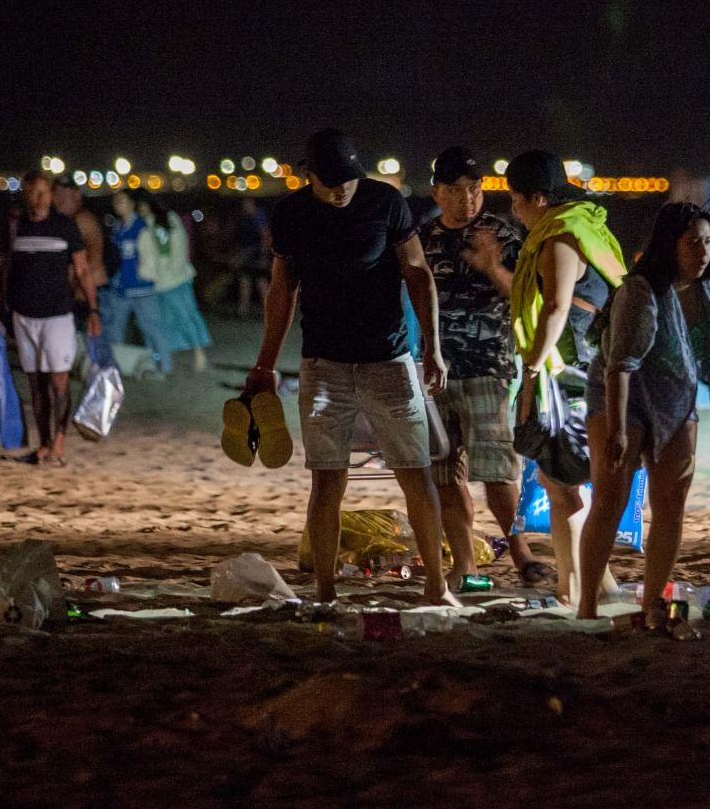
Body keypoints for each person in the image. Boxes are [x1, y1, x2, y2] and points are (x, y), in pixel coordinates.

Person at [241, 128, 456, 607]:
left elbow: (418, 274)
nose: (341, 190)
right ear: (308, 176)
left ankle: (437, 587)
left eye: (349, 181)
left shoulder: (385, 202)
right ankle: (324, 591)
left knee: (415, 473)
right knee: (327, 479)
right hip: (324, 364)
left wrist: (432, 348)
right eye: (330, 182)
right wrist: (265, 364)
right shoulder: (291, 213)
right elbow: (282, 289)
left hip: (389, 359)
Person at [575, 202, 710, 620]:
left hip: (674, 398)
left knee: (671, 501)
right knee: (610, 499)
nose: (701, 252)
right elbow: (620, 365)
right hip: (619, 396)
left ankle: (653, 603)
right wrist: (617, 430)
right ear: (669, 246)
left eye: (706, 242)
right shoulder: (641, 290)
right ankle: (587, 606)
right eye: (691, 244)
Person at [506, 150, 628, 604]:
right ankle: (585, 584)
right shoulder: (586, 227)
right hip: (593, 369)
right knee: (563, 485)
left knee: (563, 484)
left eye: (516, 200)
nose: (514, 211)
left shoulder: (558, 237)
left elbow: (556, 307)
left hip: (569, 376)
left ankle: (585, 585)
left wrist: (534, 368)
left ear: (537, 199)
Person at [419, 146, 543, 587]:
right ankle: (465, 563)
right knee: (446, 470)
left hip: (489, 366)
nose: (467, 199)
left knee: (497, 470)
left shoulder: (504, 235)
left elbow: (525, 298)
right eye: (455, 190)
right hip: (436, 369)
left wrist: (492, 266)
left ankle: (522, 556)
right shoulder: (422, 237)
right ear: (437, 193)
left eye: (474, 189)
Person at [0, 170, 102, 466]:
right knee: (36, 384)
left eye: (43, 192)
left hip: (57, 315)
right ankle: (43, 444)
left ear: (50, 195)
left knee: (59, 382)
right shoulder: (17, 227)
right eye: (33, 192)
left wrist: (93, 309)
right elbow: (5, 269)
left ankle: (59, 445)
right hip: (24, 315)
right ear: (24, 195)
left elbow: (83, 270)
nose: (38, 198)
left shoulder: (65, 227)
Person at [104, 189, 173, 375]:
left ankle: (164, 366)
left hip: (142, 288)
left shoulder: (143, 227)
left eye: (121, 201)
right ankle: (116, 367)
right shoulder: (117, 228)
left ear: (131, 204)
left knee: (151, 328)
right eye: (115, 201)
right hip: (120, 288)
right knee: (114, 329)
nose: (117, 204)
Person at [140, 194, 211, 372]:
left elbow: (180, 246)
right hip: (157, 280)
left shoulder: (170, 218)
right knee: (164, 319)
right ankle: (165, 356)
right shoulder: (144, 224)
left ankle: (199, 353)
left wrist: (175, 270)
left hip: (177, 278)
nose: (141, 208)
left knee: (186, 315)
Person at [53, 177, 107, 320]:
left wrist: (81, 291)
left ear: (76, 194)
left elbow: (93, 259)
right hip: (84, 289)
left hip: (89, 290)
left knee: (91, 338)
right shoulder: (75, 220)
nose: (56, 200)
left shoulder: (82, 220)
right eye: (55, 195)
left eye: (60, 195)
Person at [230, 198, 271, 317]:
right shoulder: (243, 218)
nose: (245, 206)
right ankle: (243, 309)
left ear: (253, 204)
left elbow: (265, 236)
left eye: (247, 204)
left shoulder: (259, 217)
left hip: (256, 253)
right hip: (245, 253)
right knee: (244, 280)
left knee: (261, 282)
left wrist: (263, 255)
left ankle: (268, 310)